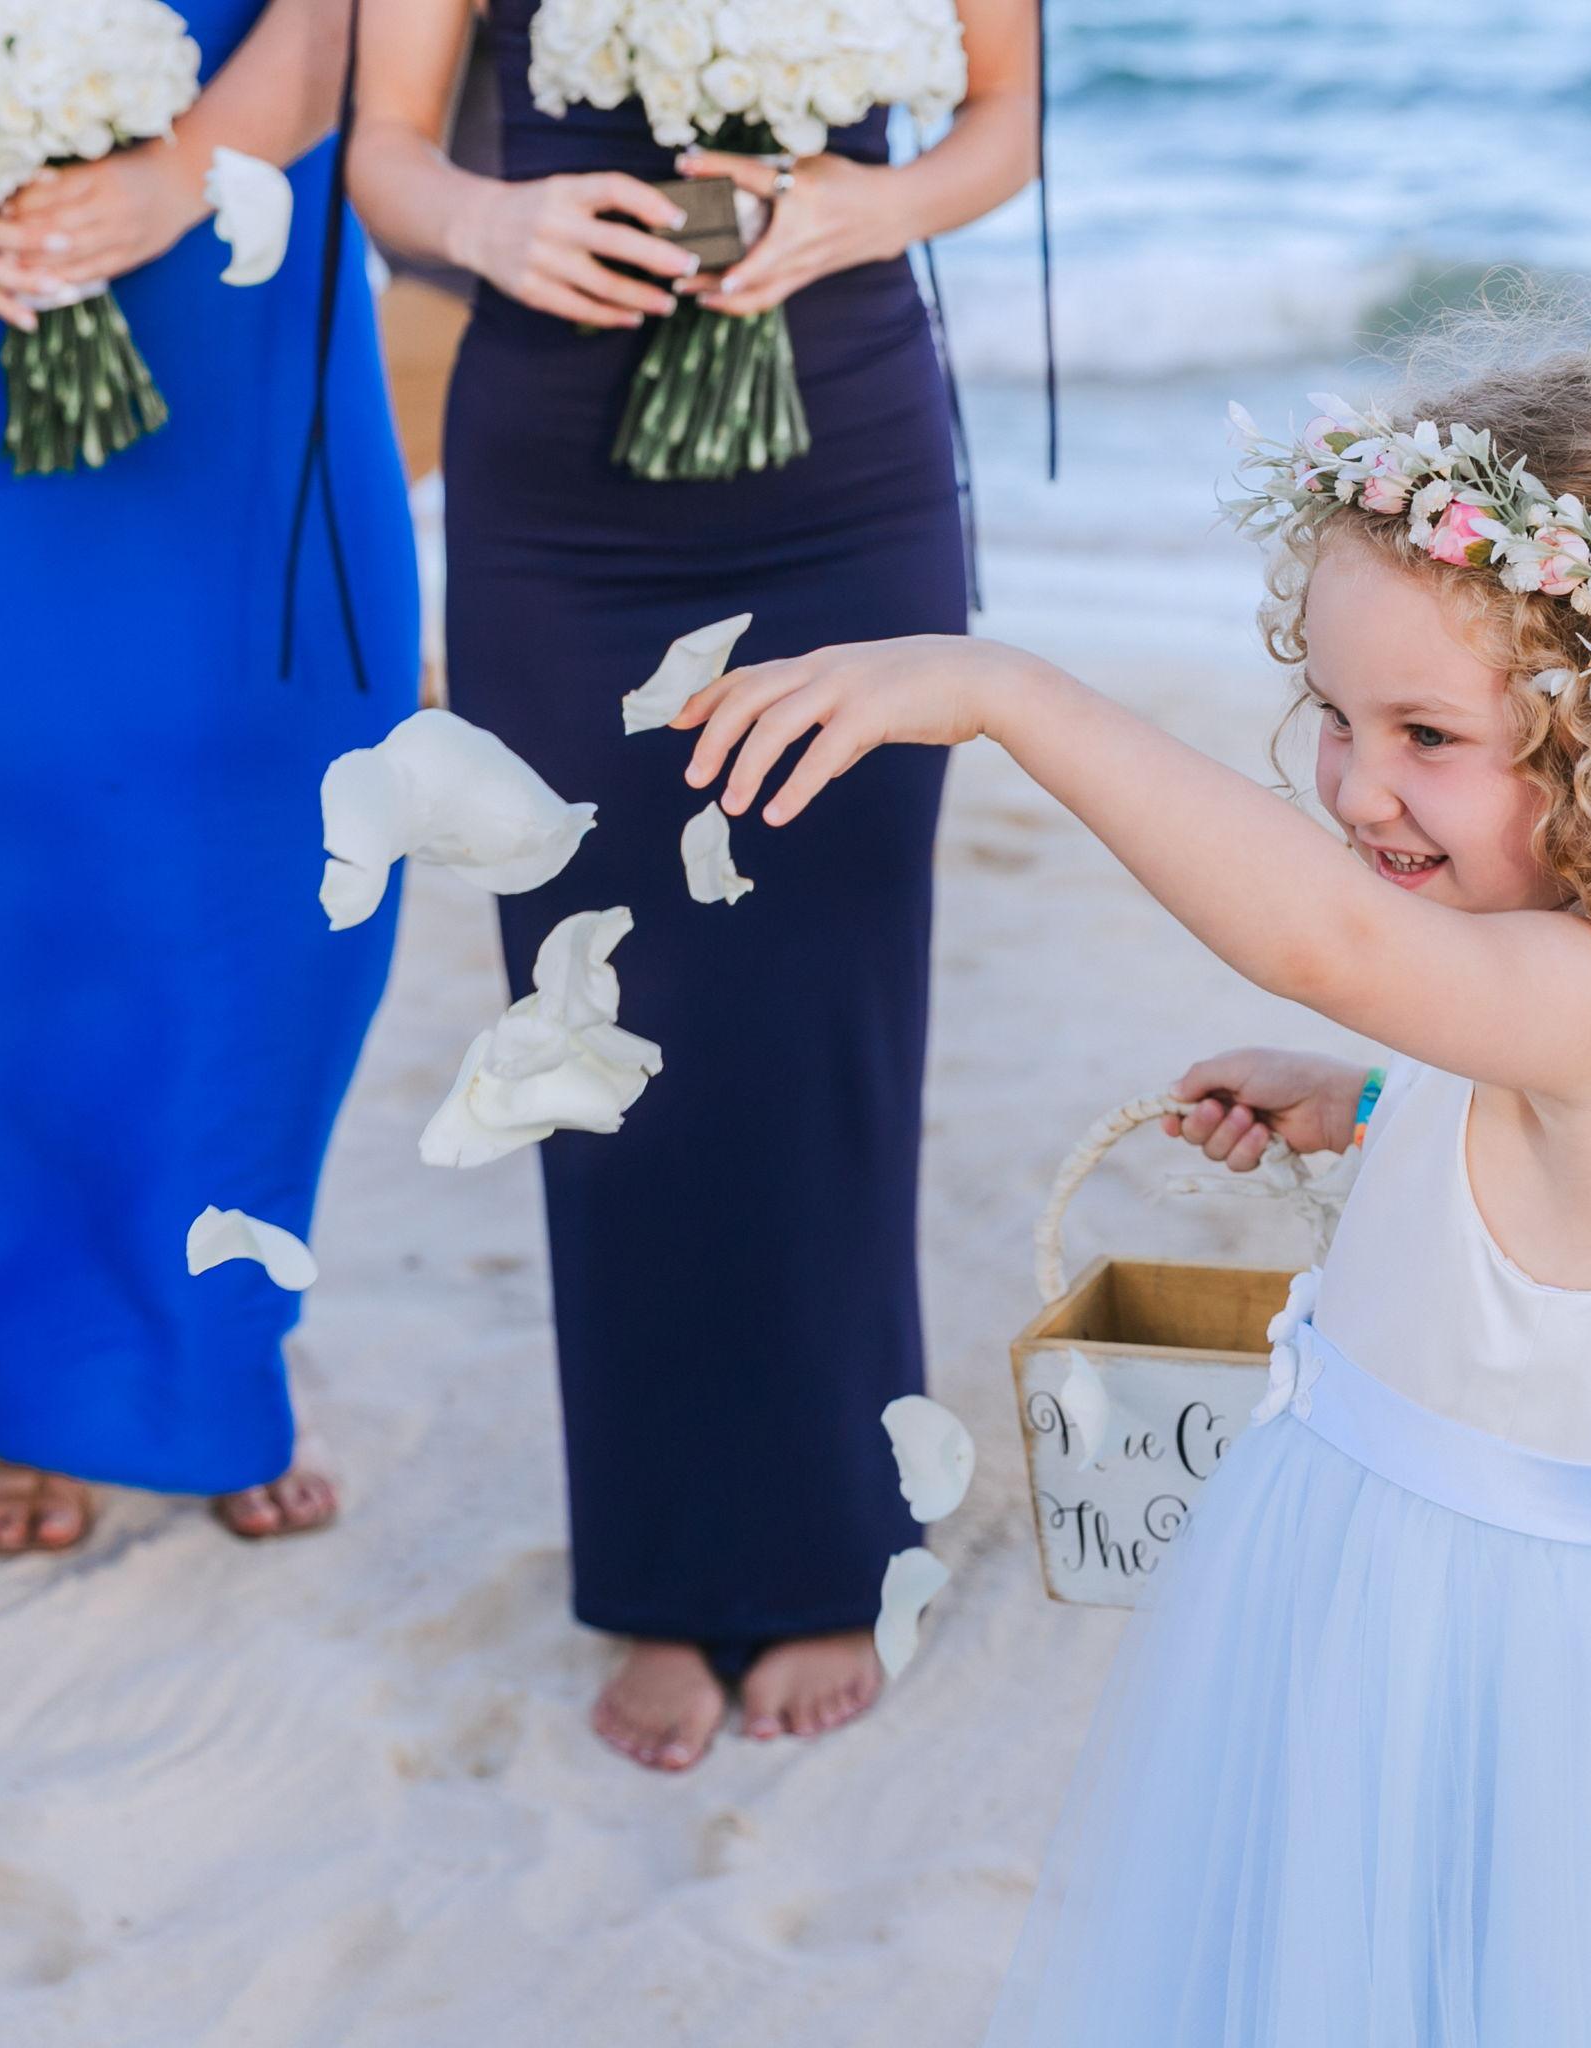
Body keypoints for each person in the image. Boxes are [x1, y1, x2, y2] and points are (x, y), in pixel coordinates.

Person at [675, 335, 1591, 2040]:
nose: (1355, 785)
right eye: (1329, 713)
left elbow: (1320, 934)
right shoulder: (1554, 980)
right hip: (1396, 1578)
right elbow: (1508, 1122)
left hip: (1489, 1647)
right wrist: (1369, 1106)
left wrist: (1008, 692)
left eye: (1427, 735)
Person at [347, 0, 1037, 1770]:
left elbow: (1005, 123)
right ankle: (657, 1575)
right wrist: (487, 221)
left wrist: (865, 210)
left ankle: (831, 1541)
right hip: (558, 489)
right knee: (594, 1006)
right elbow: (385, 154)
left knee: (827, 1009)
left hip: (851, 457)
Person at [0, 0, 417, 1551]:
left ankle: (215, 1349)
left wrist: (180, 170)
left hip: (233, 233)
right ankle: (12, 1380)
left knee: (257, 829)